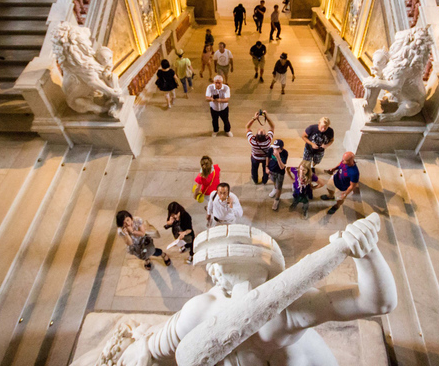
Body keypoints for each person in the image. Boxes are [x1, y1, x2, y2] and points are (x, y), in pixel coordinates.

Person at [99, 214, 396, 366]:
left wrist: (367, 252)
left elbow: (377, 303)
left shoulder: (289, 310)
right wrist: (142, 349)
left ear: (266, 269)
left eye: (224, 265)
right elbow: (157, 347)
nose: (217, 273)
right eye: (218, 267)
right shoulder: (201, 311)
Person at [246, 111, 274, 184]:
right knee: (265, 169)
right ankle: (264, 181)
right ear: (266, 136)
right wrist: (266, 117)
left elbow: (247, 127)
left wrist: (254, 118)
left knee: (254, 169)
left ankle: (255, 180)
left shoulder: (252, 141)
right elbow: (272, 127)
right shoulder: (268, 141)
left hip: (255, 158)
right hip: (266, 159)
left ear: (256, 135)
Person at [266, 139, 289, 211]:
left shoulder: (285, 153)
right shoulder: (271, 150)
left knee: (279, 187)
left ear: (281, 148)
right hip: (272, 171)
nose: (274, 149)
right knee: (274, 181)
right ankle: (275, 188)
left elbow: (282, 167)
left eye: (277, 148)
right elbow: (268, 158)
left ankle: (277, 200)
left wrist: (278, 157)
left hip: (280, 173)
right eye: (274, 147)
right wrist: (266, 167)